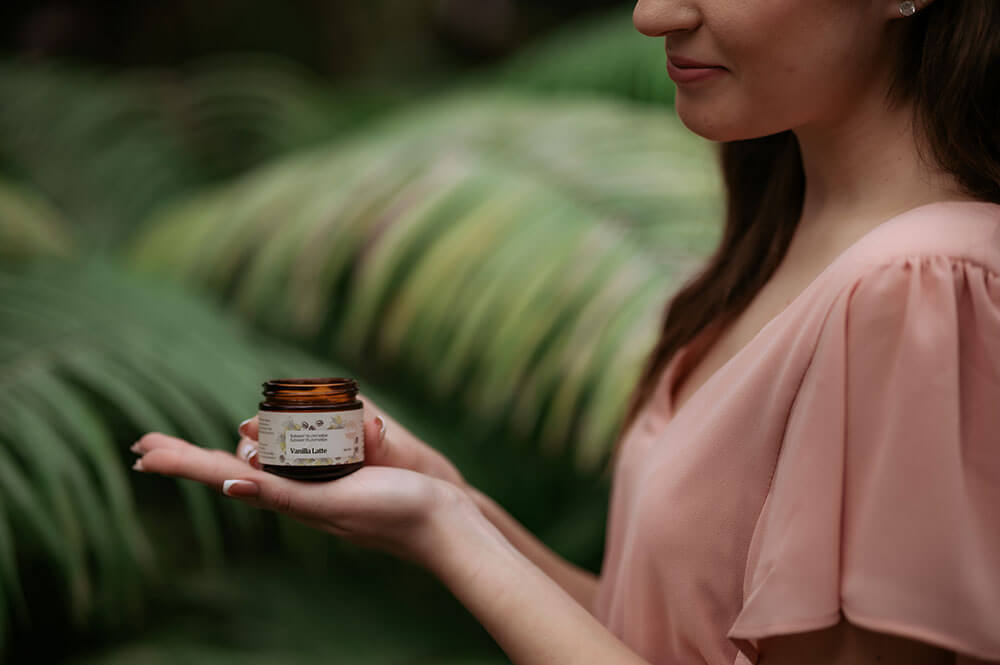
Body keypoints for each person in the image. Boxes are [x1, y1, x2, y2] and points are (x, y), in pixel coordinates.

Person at [131, 0, 1000, 662]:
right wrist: (455, 506)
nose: (653, 15)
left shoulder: (922, 284)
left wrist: (448, 530)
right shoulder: (782, 240)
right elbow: (670, 635)